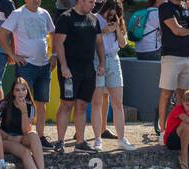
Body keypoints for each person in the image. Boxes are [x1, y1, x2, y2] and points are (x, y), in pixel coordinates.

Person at [0, 0, 55, 139]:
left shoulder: (44, 13)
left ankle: (40, 137)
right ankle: (22, 135)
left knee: (42, 103)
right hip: (26, 65)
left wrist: (54, 54)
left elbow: (53, 33)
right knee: (22, 101)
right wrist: (12, 55)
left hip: (44, 65)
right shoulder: (17, 14)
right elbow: (1, 33)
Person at [51, 0, 103, 151]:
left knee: (82, 105)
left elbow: (99, 42)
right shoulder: (66, 17)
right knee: (67, 104)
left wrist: (102, 63)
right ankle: (60, 141)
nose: (94, 5)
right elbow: (59, 43)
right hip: (70, 71)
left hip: (88, 70)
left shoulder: (93, 19)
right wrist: (64, 66)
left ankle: (80, 142)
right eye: (91, 2)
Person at [156, 0, 189, 136]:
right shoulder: (165, 6)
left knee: (184, 95)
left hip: (188, 57)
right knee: (166, 94)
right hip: (171, 57)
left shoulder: (186, 6)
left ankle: (177, 128)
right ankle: (162, 130)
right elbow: (176, 30)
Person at [91, 0, 130, 150]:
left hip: (114, 59)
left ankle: (122, 139)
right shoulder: (94, 18)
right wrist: (105, 31)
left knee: (118, 102)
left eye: (115, 15)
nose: (111, 17)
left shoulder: (119, 22)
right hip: (97, 59)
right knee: (97, 102)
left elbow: (123, 44)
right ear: (105, 9)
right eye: (110, 14)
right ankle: (97, 139)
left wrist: (117, 28)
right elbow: (91, 40)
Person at [0, 74, 47, 169]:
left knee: (34, 135)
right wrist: (10, 138)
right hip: (4, 141)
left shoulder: (30, 106)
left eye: (23, 89)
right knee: (25, 152)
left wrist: (24, 110)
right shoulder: (4, 104)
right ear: (13, 91)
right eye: (17, 90)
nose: (21, 93)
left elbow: (26, 131)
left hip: (21, 138)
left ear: (27, 90)